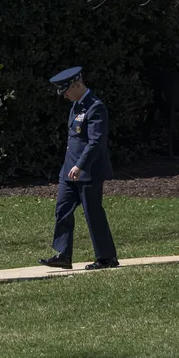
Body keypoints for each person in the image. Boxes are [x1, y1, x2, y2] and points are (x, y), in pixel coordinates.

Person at [39, 66, 119, 270]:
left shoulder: (95, 107)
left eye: (66, 90)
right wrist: (69, 167)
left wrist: (80, 165)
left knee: (93, 213)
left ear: (77, 84)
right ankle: (63, 254)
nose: (64, 95)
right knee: (62, 210)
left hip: (88, 171)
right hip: (69, 171)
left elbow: (96, 142)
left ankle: (106, 257)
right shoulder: (76, 106)